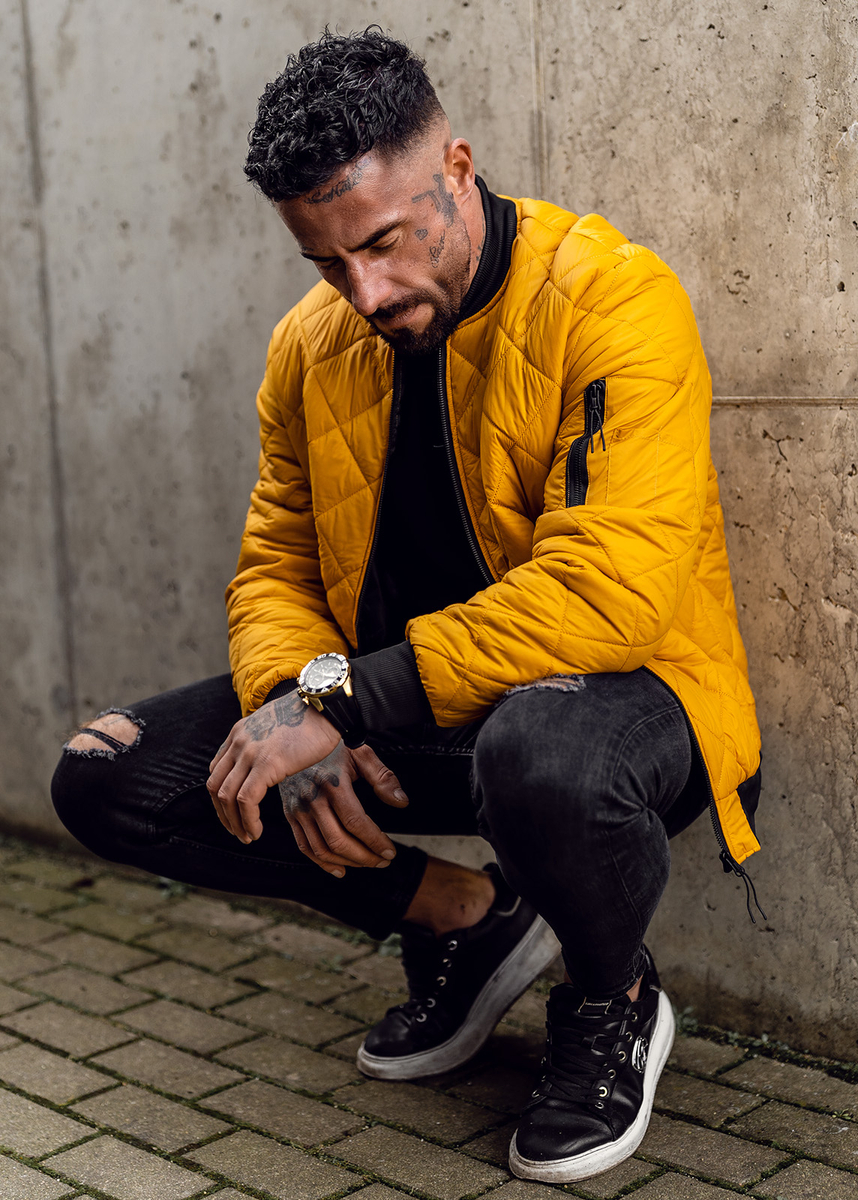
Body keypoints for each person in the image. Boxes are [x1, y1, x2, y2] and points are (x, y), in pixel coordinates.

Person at [52, 28, 762, 1183]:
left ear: (458, 169)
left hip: (620, 708)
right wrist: (290, 702)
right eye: (328, 262)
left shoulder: (611, 298)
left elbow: (609, 589)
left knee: (538, 754)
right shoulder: (308, 348)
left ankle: (612, 997)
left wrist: (340, 701)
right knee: (108, 777)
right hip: (402, 719)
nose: (365, 292)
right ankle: (464, 919)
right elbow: (274, 570)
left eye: (383, 242)